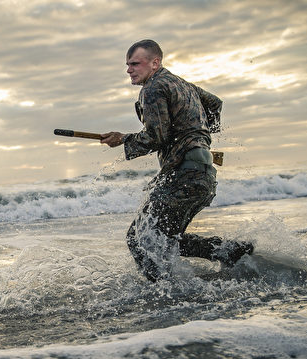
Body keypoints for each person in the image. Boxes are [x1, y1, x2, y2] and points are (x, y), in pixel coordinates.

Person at [101, 39, 253, 282]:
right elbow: (215, 103)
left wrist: (124, 139)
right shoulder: (182, 85)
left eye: (135, 64)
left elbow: (155, 136)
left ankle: (161, 292)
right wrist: (198, 136)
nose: (129, 70)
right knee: (169, 239)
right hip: (203, 174)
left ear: (155, 62)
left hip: (184, 175)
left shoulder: (152, 88)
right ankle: (231, 251)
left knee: (140, 238)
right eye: (127, 65)